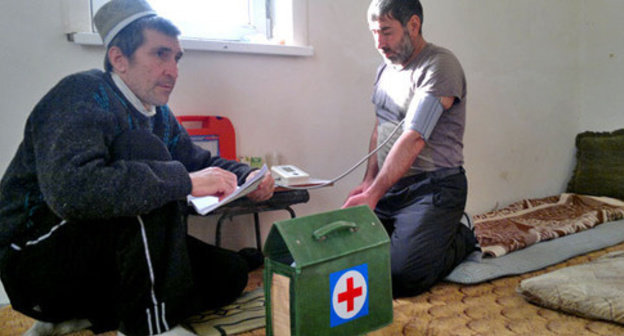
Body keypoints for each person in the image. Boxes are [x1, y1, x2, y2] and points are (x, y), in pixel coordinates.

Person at [0, 0, 275, 335]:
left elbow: (199, 163)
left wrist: (248, 176)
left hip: (100, 260)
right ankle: (147, 327)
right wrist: (184, 182)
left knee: (229, 273)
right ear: (119, 59)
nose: (173, 69)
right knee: (139, 148)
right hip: (34, 263)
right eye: (160, 54)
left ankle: (88, 316)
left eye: (176, 57)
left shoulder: (159, 114)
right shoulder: (78, 96)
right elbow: (72, 192)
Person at [343, 0, 477, 298]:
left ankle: (462, 236)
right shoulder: (385, 70)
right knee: (347, 259)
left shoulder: (440, 65)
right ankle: (420, 236)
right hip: (391, 188)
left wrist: (374, 194)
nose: (379, 43)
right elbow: (381, 129)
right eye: (374, 32)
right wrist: (368, 183)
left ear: (413, 25)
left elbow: (414, 137)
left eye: (387, 32)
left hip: (434, 188)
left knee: (400, 277)